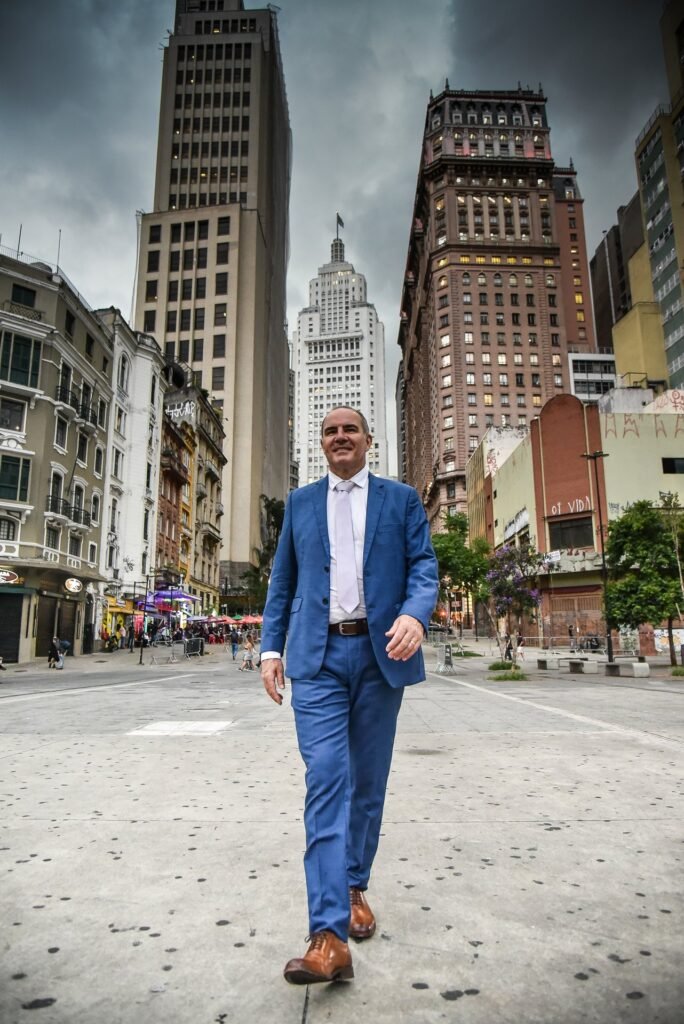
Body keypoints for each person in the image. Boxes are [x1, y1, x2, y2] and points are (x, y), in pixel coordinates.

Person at [260, 406, 438, 986]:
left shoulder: (401, 499)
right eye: (330, 431)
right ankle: (328, 934)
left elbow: (424, 568)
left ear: (368, 440)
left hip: (381, 655)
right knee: (327, 780)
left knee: (367, 783)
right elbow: (282, 580)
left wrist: (415, 615)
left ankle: (355, 884)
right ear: (322, 444)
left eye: (350, 430)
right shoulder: (302, 504)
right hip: (317, 659)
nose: (340, 437)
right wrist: (269, 649)